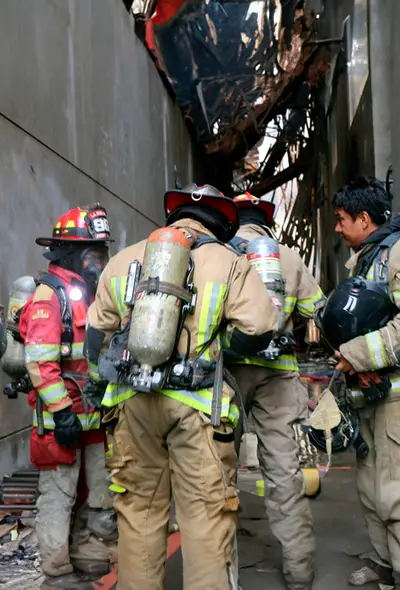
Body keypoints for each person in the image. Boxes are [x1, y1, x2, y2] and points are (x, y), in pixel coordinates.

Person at [85, 184, 277, 590]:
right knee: (206, 520)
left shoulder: (122, 260)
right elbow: (260, 326)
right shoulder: (229, 262)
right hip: (199, 407)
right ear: (220, 223)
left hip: (130, 403)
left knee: (137, 516)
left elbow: (95, 337)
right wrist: (222, 348)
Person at [329, 176, 400, 590]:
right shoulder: (367, 257)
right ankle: (386, 565)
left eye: (343, 219)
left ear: (364, 218)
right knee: (373, 489)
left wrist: (357, 353)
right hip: (373, 394)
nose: (338, 228)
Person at [226, 192, 325, 589]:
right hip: (278, 373)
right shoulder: (287, 255)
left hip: (228, 374)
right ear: (266, 221)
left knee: (218, 470)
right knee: (284, 471)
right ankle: (300, 573)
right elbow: (314, 311)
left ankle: (219, 573)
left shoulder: (220, 253)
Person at [21, 204, 117, 589]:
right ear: (71, 253)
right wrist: (62, 412)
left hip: (92, 419)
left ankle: (89, 555)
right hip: (61, 419)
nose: (98, 262)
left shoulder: (92, 295)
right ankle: (57, 572)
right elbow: (40, 362)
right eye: (93, 253)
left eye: (101, 253)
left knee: (99, 490)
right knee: (58, 496)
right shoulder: (50, 295)